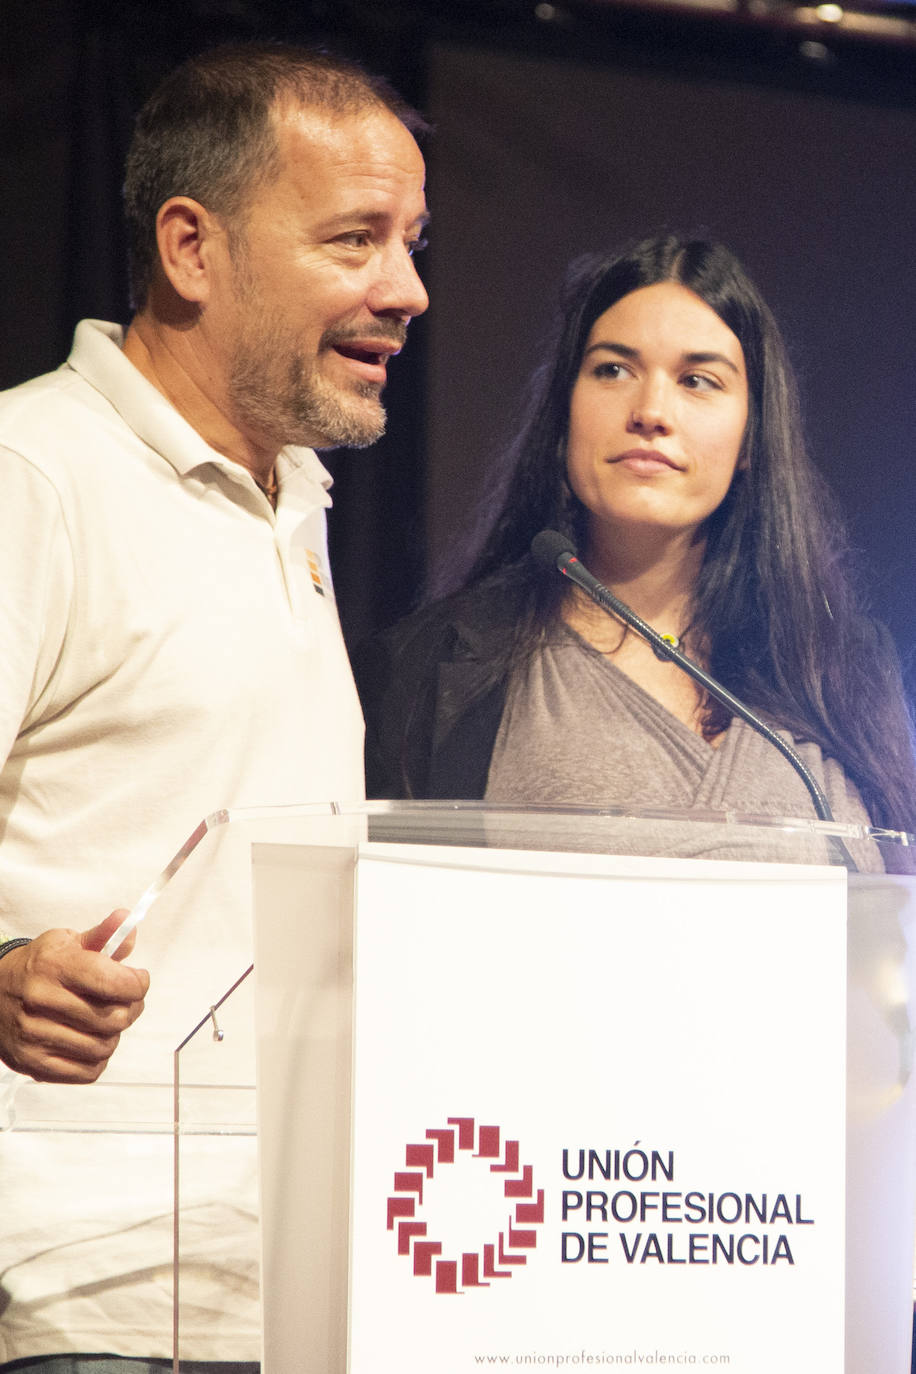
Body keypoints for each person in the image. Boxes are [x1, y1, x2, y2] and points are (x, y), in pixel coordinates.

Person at [0, 41, 428, 1372]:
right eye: (355, 238)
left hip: (291, 1283)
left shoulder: (290, 496)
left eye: (415, 241)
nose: (407, 290)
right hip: (93, 1289)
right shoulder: (37, 475)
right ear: (192, 247)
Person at [354, 235, 916, 850]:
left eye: (698, 380)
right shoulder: (434, 666)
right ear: (565, 410)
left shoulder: (844, 665)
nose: (651, 411)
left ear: (752, 437)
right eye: (613, 370)